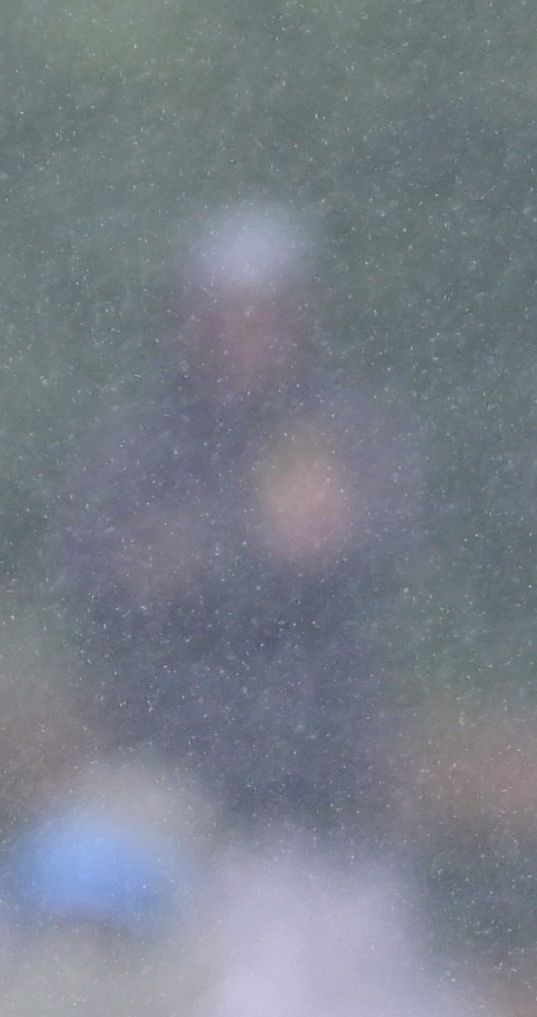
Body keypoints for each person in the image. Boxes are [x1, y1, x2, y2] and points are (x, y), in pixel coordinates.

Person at [54, 206, 420, 837]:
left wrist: (198, 554)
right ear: (190, 322)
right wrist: (254, 548)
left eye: (266, 317)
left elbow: (361, 553)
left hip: (312, 774)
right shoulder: (142, 441)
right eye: (226, 316)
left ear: (299, 322)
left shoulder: (339, 433)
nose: (246, 337)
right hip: (163, 760)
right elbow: (94, 570)